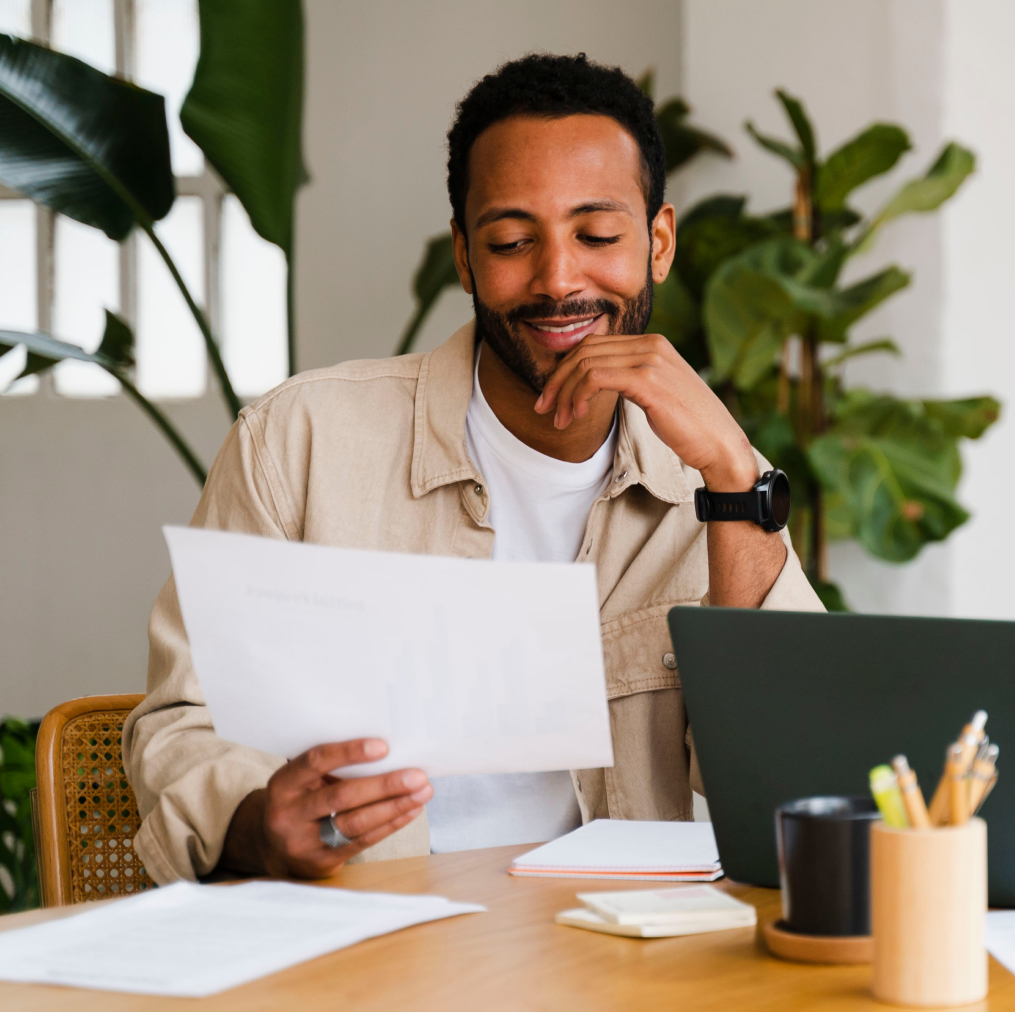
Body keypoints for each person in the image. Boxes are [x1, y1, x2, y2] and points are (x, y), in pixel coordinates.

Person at [122, 53, 821, 883]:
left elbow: (796, 786)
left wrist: (736, 483)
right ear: (463, 255)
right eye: (512, 241)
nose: (559, 280)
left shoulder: (716, 482)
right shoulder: (297, 443)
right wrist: (255, 820)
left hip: (615, 957)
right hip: (365, 946)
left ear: (658, 243)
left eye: (597, 235)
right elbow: (177, 725)